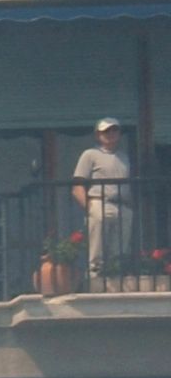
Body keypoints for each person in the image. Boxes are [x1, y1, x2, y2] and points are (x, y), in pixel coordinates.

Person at [80, 119, 134, 293]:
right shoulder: (90, 154)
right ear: (98, 135)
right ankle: (95, 280)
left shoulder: (124, 157)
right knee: (97, 247)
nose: (111, 134)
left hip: (122, 205)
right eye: (106, 131)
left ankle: (115, 279)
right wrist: (89, 207)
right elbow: (78, 184)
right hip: (99, 202)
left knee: (120, 248)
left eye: (114, 130)